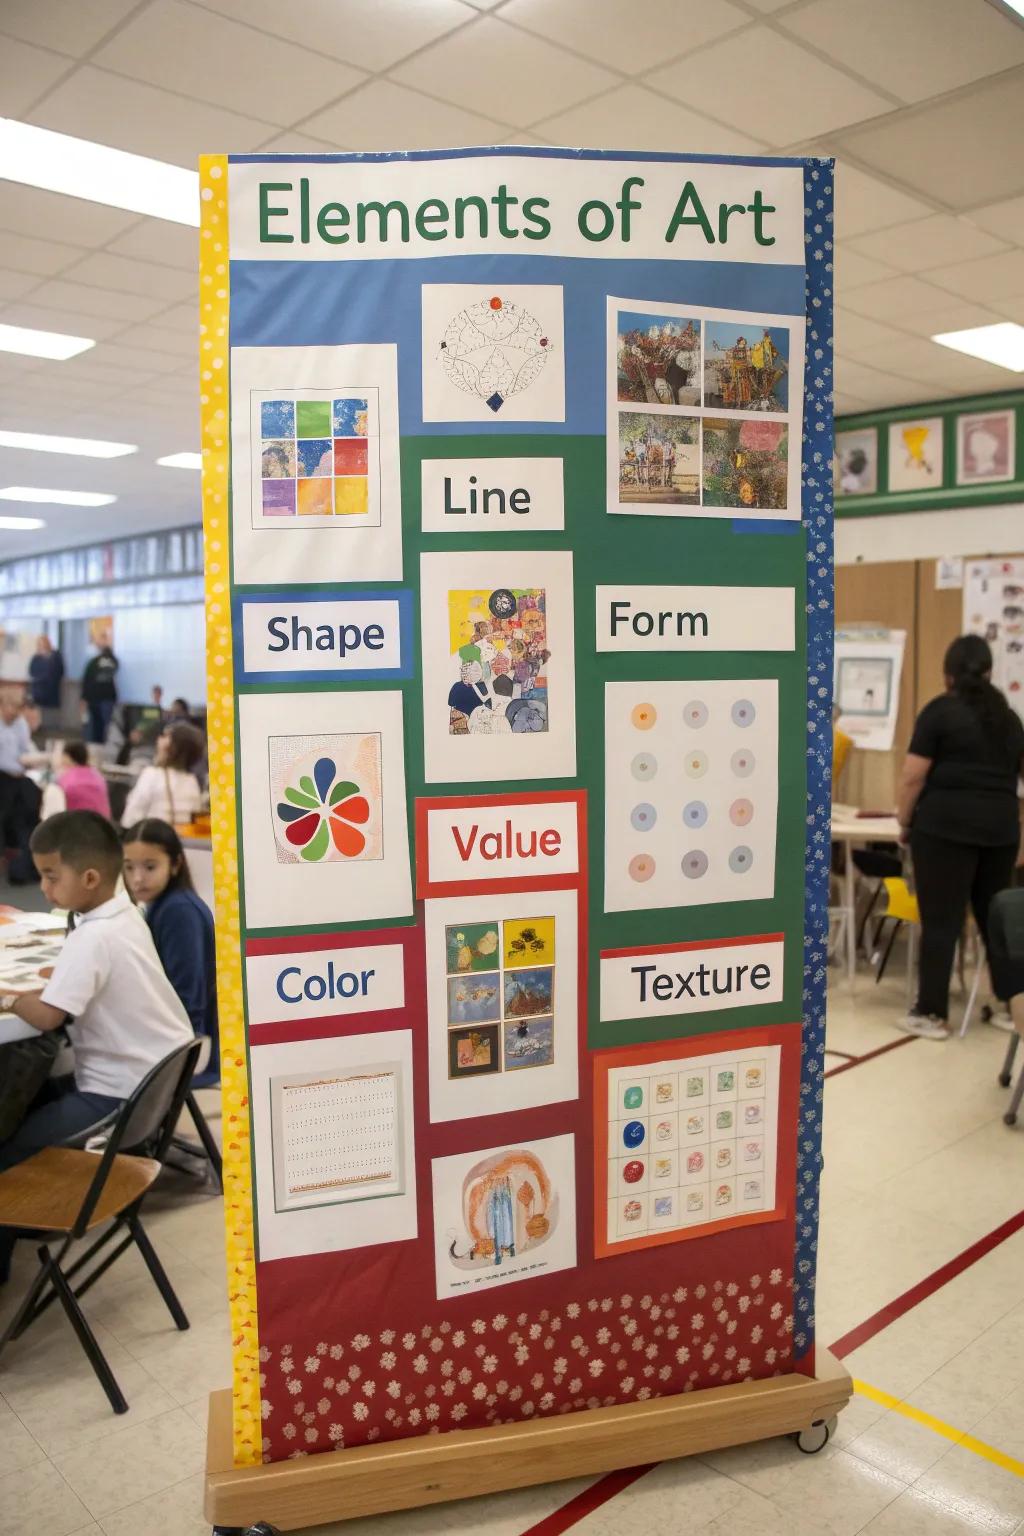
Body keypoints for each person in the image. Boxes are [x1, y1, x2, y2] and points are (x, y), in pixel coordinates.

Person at [0, 811, 193, 1182]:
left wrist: (8, 999)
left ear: (90, 878)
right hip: (152, 1080)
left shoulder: (92, 937)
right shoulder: (126, 915)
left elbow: (48, 1018)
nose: (44, 888)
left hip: (118, 1095)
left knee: (12, 1148)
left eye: (51, 876)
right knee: (25, 1101)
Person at [896, 635, 1024, 1039]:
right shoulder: (1010, 720)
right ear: (989, 672)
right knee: (997, 921)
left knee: (941, 920)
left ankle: (932, 1013)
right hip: (1000, 831)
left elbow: (913, 776)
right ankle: (1012, 1008)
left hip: (944, 829)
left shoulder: (938, 712)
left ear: (948, 674)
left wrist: (904, 821)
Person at [123, 818, 218, 1086]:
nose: (137, 878)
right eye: (129, 867)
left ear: (175, 864)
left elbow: (188, 997)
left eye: (150, 867)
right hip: (174, 1034)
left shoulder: (178, 911)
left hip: (186, 1044)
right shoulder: (161, 904)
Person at [121, 722, 204, 827]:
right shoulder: (193, 782)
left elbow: (130, 820)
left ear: (171, 746)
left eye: (165, 736)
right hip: (181, 837)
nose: (159, 740)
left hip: (152, 835)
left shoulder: (152, 775)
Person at [0, 687, 42, 883]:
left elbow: (25, 751)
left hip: (18, 778)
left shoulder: (21, 724)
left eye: (19, 708)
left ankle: (22, 865)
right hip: (2, 776)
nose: (15, 712)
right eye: (12, 707)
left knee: (24, 817)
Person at [56, 739, 111, 818]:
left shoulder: (65, 779)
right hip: (101, 822)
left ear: (67, 757)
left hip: (75, 822)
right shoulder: (98, 777)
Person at [81, 644, 119, 744]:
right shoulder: (112, 662)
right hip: (106, 698)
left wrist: (84, 698)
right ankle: (102, 743)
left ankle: (93, 744)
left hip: (93, 698)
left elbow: (86, 680)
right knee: (105, 725)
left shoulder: (93, 662)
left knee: (94, 725)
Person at [28, 635, 64, 726]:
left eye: (41, 643)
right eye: (38, 644)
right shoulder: (36, 658)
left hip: (51, 691)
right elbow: (32, 672)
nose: (40, 646)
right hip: (38, 692)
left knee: (51, 719)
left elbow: (59, 672)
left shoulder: (55, 657)